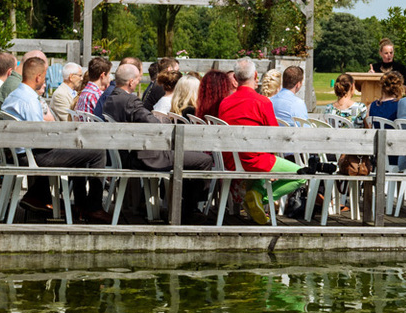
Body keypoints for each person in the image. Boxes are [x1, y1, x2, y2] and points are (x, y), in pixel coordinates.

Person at [3, 55, 107, 219]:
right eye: (44, 77)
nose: (44, 81)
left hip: (18, 152)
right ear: (38, 77)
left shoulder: (13, 96)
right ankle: (93, 207)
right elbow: (40, 136)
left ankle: (70, 202)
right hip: (33, 155)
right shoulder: (29, 100)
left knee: (78, 152)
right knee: (97, 152)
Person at [217, 57, 320, 223]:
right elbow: (274, 137)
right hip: (255, 160)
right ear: (256, 76)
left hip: (230, 160)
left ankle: (254, 196)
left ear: (235, 79)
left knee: (267, 163)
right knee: (301, 176)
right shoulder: (262, 102)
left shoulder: (224, 103)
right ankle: (257, 197)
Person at [96, 62, 213, 191]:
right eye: (137, 80)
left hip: (125, 156)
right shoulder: (130, 101)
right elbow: (155, 124)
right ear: (130, 82)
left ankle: (181, 202)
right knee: (205, 160)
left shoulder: (110, 99)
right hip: (148, 157)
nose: (137, 83)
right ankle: (192, 207)